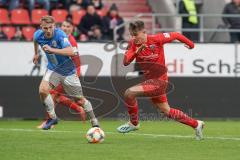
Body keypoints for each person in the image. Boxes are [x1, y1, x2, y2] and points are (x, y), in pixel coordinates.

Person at [117, 20, 204, 140]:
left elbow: (176, 35)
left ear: (144, 32)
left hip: (160, 82)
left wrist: (191, 44)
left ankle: (134, 124)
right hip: (150, 82)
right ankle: (196, 124)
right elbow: (125, 62)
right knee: (166, 111)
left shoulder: (157, 39)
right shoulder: (132, 44)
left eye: (136, 34)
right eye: (131, 35)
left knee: (129, 93)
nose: (134, 38)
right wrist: (136, 52)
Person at [33, 16, 99, 130]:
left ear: (54, 26)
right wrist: (36, 54)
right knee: (43, 90)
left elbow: (71, 51)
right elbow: (35, 41)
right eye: (45, 28)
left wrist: (52, 50)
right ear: (41, 27)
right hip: (53, 69)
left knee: (80, 100)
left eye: (50, 27)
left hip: (68, 72)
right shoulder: (37, 35)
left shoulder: (60, 35)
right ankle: (53, 118)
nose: (48, 31)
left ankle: (94, 120)